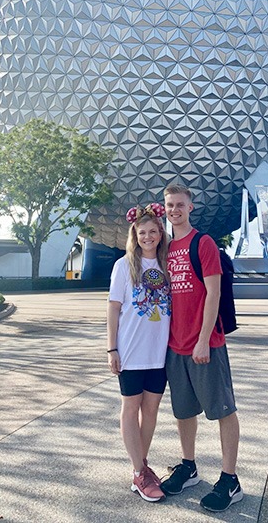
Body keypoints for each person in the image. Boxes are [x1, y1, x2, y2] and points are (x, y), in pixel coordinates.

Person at [160, 184, 243, 512]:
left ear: (190, 207)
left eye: (180, 204)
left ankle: (230, 479)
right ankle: (189, 465)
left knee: (223, 409)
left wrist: (204, 338)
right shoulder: (167, 249)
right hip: (174, 345)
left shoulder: (202, 243)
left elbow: (213, 292)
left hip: (205, 343)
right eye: (169, 205)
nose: (174, 210)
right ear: (164, 208)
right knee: (183, 411)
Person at [107, 203, 171, 502]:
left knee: (151, 411)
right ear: (135, 234)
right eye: (142, 232)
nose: (148, 236)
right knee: (131, 409)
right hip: (131, 351)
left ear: (161, 233)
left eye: (153, 231)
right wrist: (112, 348)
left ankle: (141, 467)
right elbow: (114, 308)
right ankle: (138, 471)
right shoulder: (124, 265)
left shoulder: (167, 265)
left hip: (159, 352)